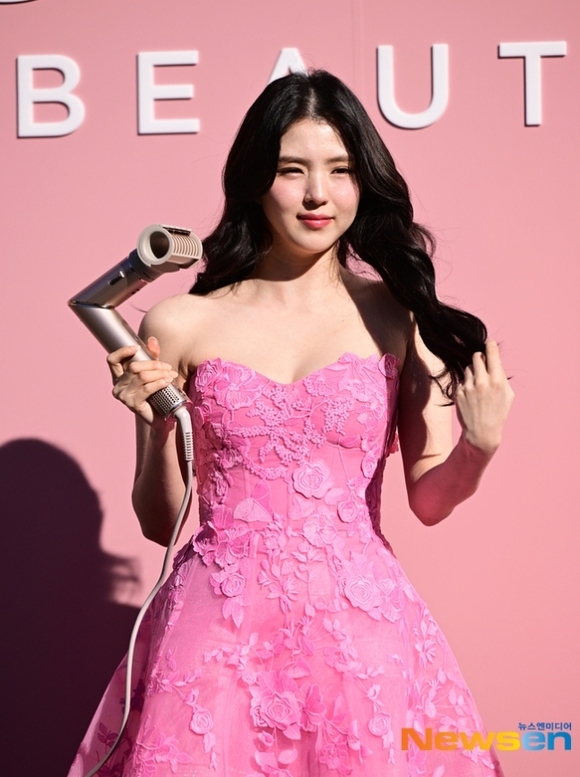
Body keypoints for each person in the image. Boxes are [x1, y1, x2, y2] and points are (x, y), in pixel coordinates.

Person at [68, 70, 513, 777]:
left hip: (361, 636)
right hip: (216, 634)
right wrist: (158, 427)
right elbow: (158, 521)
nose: (317, 194)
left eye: (340, 170)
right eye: (291, 170)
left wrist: (478, 447)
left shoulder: (399, 314)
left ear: (364, 181)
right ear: (254, 180)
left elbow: (429, 498)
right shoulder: (181, 322)